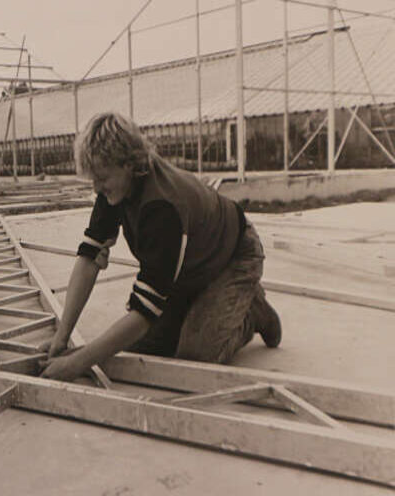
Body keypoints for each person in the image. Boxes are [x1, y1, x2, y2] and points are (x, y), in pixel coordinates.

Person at [39, 112, 281, 381]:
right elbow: (88, 258)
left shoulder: (162, 207)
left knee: (195, 355)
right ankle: (199, 306)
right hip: (191, 265)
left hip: (233, 257)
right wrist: (61, 339)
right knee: (146, 347)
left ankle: (252, 314)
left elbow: (143, 313)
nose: (96, 188)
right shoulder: (115, 189)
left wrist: (76, 365)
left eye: (102, 178)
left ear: (127, 164)